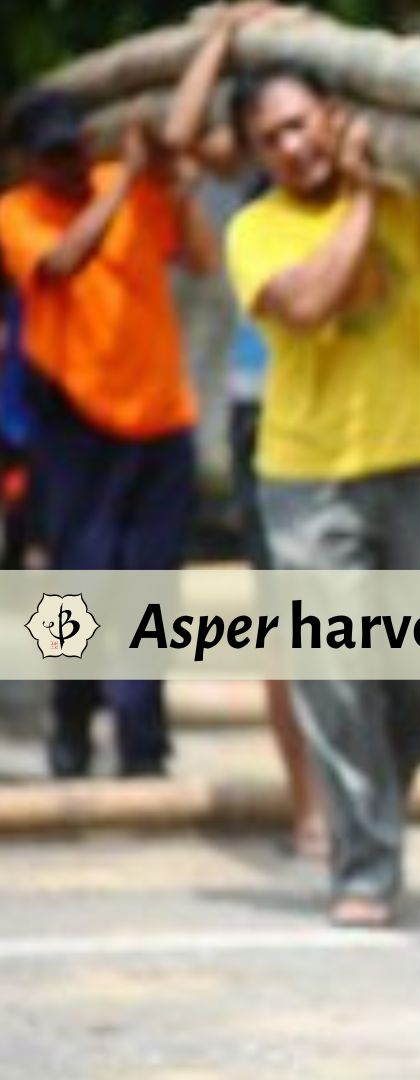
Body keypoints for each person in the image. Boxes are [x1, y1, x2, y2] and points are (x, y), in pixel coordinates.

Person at [225, 62, 420, 928]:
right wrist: (367, 198)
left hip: (417, 458)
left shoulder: (411, 190)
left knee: (413, 677)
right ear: (255, 153)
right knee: (334, 675)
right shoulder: (256, 228)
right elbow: (308, 303)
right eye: (274, 137)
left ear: (334, 117)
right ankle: (366, 864)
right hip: (307, 478)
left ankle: (375, 818)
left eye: (305, 124)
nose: (296, 146)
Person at [0, 90, 218, 779]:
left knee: (150, 586)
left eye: (77, 148)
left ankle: (142, 736)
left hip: (159, 418)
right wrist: (124, 178)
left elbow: (202, 258)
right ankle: (70, 718)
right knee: (77, 583)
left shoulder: (126, 188)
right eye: (54, 155)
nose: (71, 165)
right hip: (75, 424)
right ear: (25, 161)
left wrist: (174, 185)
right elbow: (63, 261)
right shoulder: (14, 214)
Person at [161, 0, 327, 860]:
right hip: (265, 401)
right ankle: (311, 807)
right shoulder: (258, 155)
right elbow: (181, 138)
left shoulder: (346, 133)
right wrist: (219, 41)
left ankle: (359, 797)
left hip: (366, 414)